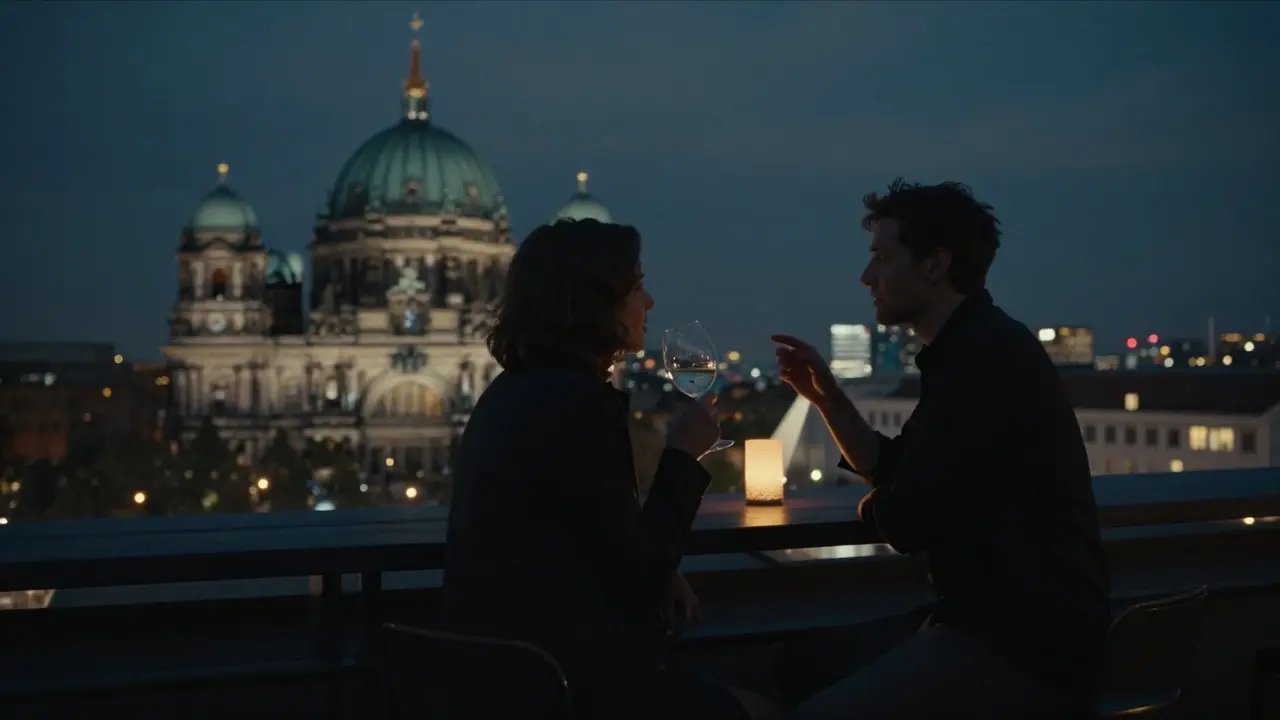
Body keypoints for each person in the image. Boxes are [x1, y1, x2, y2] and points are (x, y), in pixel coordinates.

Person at [773, 179, 1111, 718]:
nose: (866, 277)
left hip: (1018, 649)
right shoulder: (974, 348)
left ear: (934, 266)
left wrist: (880, 505)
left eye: (882, 257)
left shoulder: (982, 361)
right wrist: (828, 399)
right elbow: (895, 468)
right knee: (799, 667)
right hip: (1007, 627)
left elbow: (906, 520)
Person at [441, 219, 764, 720]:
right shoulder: (577, 403)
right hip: (567, 686)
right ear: (595, 302)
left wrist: (661, 565)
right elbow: (633, 576)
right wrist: (682, 455)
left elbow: (587, 527)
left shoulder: (513, 391)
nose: (650, 303)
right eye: (636, 286)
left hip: (497, 673)